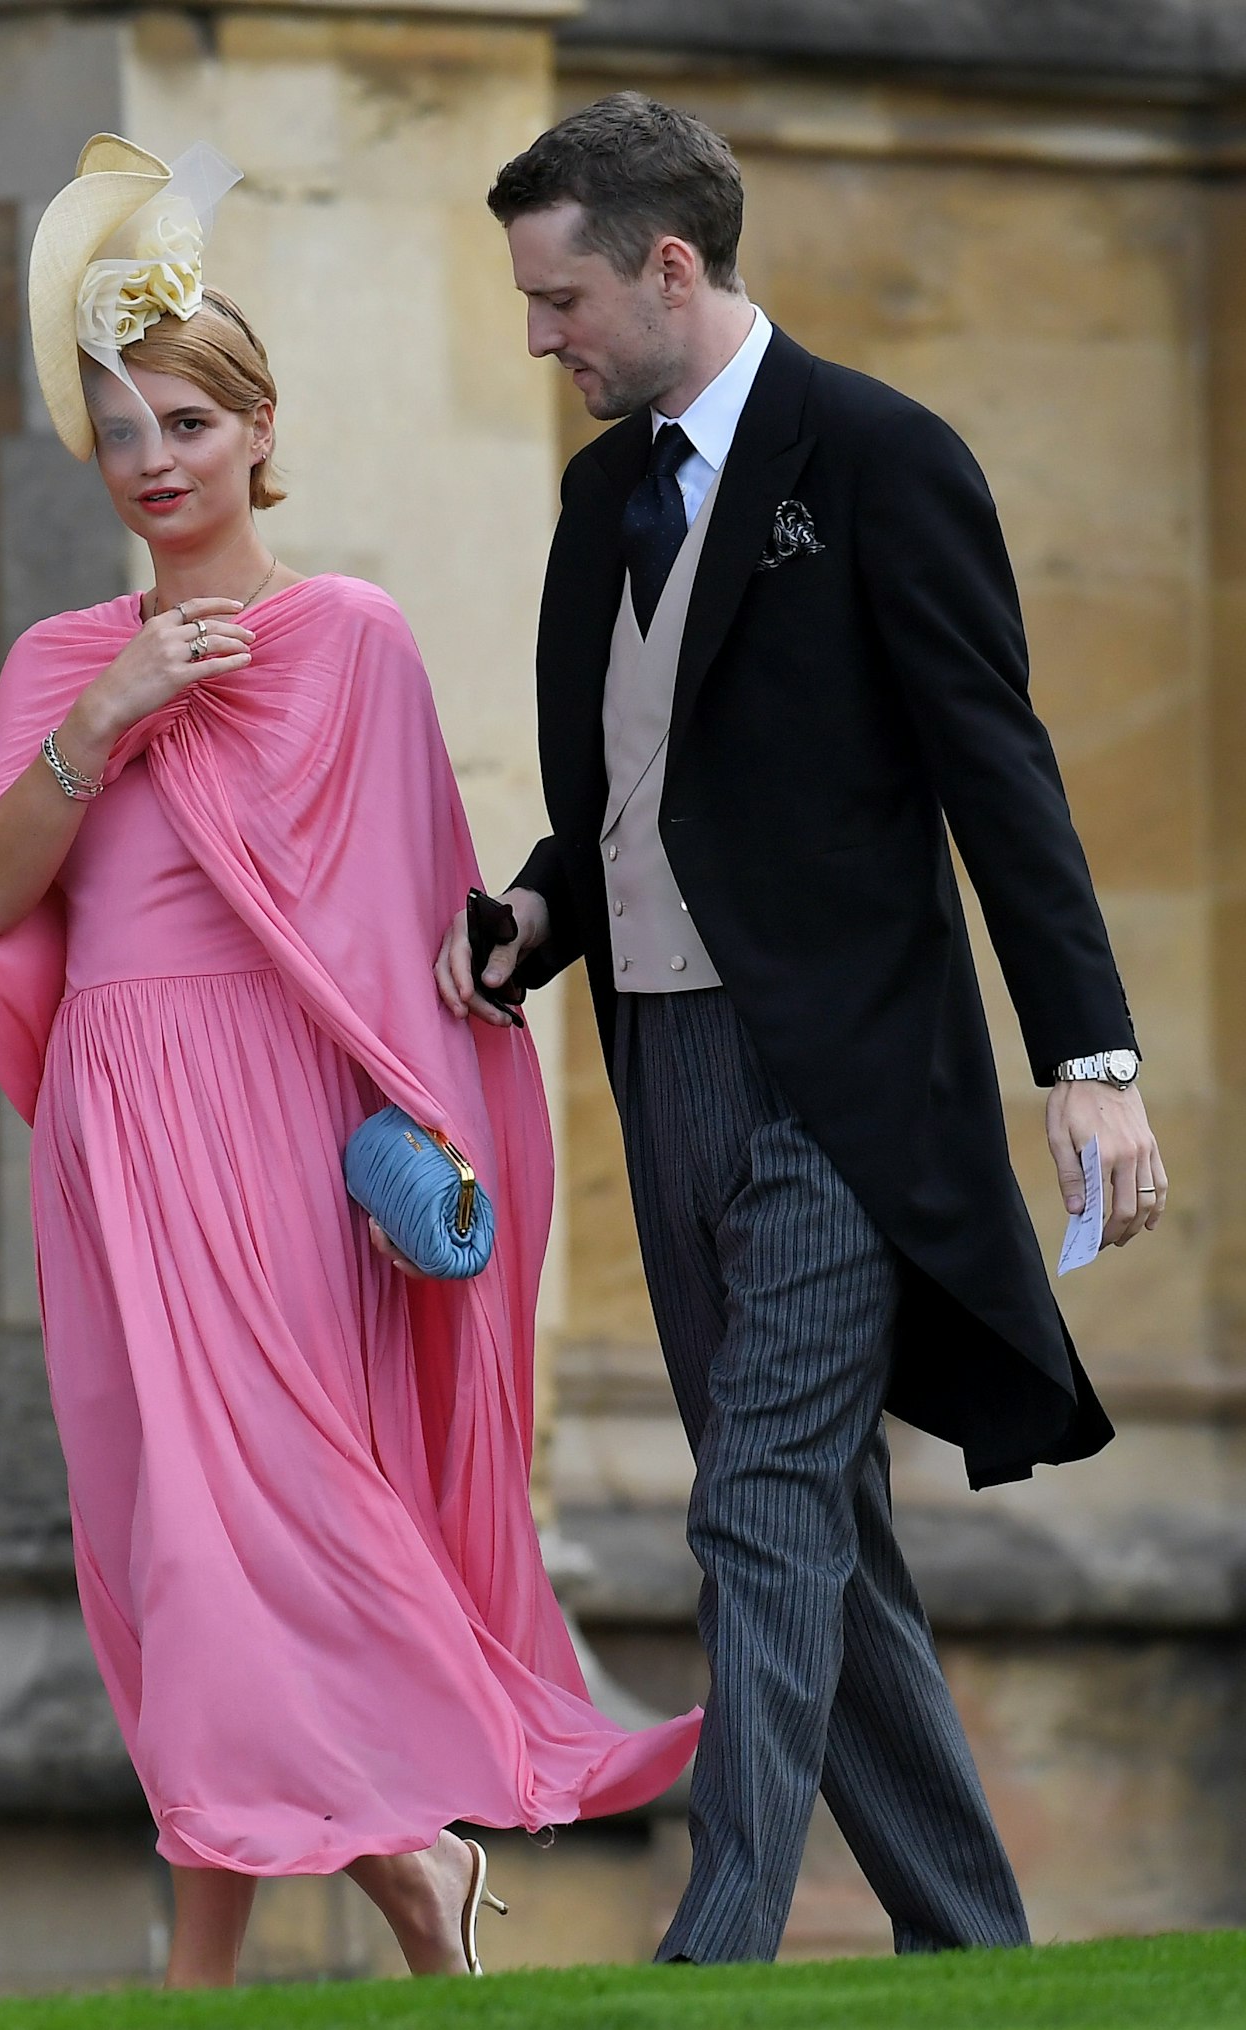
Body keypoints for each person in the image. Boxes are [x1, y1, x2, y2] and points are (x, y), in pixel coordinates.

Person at [0, 133, 698, 1991]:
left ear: (257, 427)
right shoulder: (61, 659)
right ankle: (404, 1883)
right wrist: (112, 719)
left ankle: (220, 1964)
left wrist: (415, 1149)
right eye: (124, 432)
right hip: (119, 1126)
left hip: (281, 1137)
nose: (156, 459)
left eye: (189, 419)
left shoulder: (349, 637)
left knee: (253, 1537)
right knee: (161, 1532)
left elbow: (397, 935)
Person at [437, 93, 1168, 1965]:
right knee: (815, 1523)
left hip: (847, 1086)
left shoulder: (880, 453)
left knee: (755, 1498)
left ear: (670, 266)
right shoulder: (603, 497)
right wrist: (535, 912)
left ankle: (722, 1942)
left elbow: (999, 775)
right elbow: (638, 789)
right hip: (664, 1072)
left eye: (559, 296)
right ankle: (976, 1946)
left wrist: (1088, 1066)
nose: (539, 336)